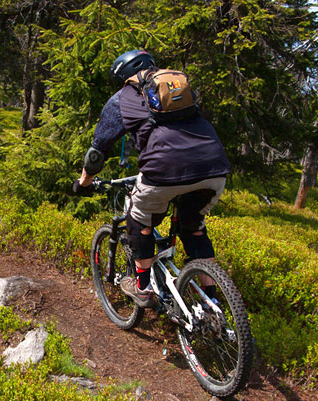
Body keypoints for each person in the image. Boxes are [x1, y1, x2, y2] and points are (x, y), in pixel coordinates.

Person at [73, 49, 231, 306]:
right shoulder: (177, 90)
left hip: (163, 171)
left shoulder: (123, 97)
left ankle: (142, 287)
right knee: (194, 228)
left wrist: (84, 182)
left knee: (139, 222)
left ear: (123, 76)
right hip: (214, 168)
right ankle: (210, 302)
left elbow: (98, 150)